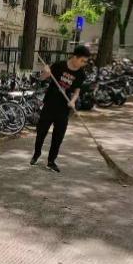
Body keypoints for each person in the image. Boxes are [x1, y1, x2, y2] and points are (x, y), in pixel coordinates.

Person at [31, 45, 90, 173]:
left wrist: (73, 101)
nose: (84, 64)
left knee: (58, 136)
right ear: (75, 57)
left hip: (63, 108)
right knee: (41, 132)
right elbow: (42, 78)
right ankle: (36, 154)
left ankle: (51, 161)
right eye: (82, 61)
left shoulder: (80, 73)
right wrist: (46, 72)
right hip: (49, 104)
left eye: (85, 61)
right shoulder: (59, 65)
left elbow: (77, 91)